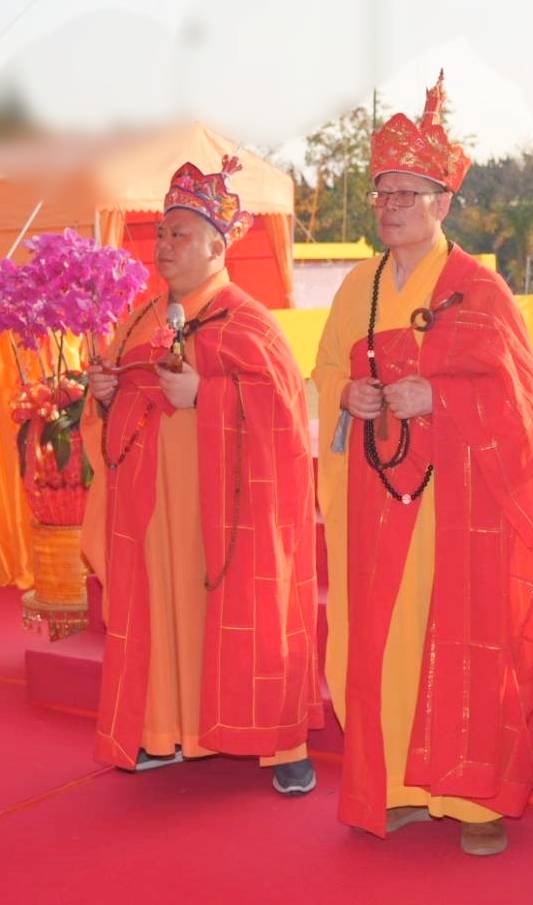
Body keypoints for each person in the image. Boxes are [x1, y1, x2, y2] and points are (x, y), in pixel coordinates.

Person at [313, 71, 533, 854]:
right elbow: (326, 376)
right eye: (382, 192)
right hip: (378, 498)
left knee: (466, 637)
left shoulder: (479, 291)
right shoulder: (357, 289)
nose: (390, 205)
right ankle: (395, 785)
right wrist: (349, 398)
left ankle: (473, 797)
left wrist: (441, 399)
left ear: (443, 202)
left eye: (408, 192)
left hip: (461, 503)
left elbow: (522, 403)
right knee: (385, 638)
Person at [81, 156, 322, 794]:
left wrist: (205, 395)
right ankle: (170, 731)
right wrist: (106, 394)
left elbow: (284, 413)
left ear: (218, 245)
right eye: (161, 233)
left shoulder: (250, 321)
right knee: (164, 611)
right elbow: (121, 397)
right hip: (156, 509)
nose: (164, 244)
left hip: (230, 510)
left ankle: (283, 744)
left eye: (180, 234)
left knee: (250, 611)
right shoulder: (140, 320)